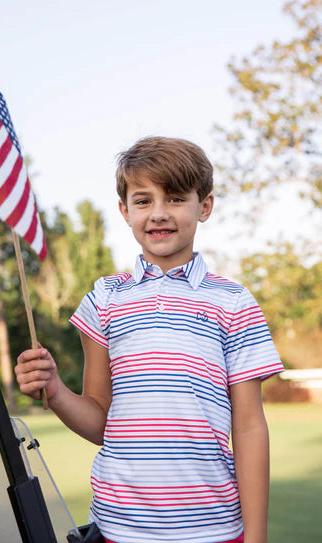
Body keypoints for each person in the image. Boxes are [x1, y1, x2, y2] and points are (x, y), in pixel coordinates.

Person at [15, 136, 284, 543]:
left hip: (213, 528)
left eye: (175, 198)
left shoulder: (233, 301)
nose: (159, 214)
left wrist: (257, 537)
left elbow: (248, 426)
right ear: (125, 211)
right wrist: (54, 390)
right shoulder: (104, 298)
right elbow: (100, 421)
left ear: (204, 206)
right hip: (119, 527)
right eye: (143, 201)